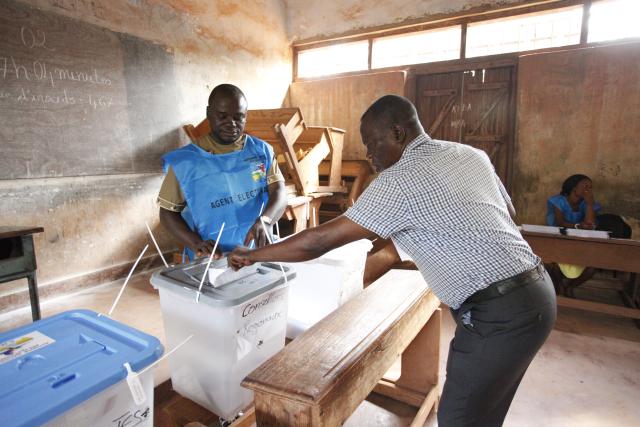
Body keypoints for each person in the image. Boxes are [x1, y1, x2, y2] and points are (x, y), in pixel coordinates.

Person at [228, 95, 557, 426]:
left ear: (398, 133)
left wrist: (251, 256)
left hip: (498, 315)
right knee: (484, 413)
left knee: (459, 419)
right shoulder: (469, 154)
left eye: (372, 144)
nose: (370, 157)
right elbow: (507, 212)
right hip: (538, 293)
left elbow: (318, 241)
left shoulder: (398, 180)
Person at [158, 84, 287, 260]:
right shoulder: (186, 162)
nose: (231, 123)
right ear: (209, 113)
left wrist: (265, 221)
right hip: (212, 256)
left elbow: (279, 191)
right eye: (222, 116)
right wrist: (196, 243)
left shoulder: (261, 151)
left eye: (238, 117)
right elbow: (167, 213)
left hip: (257, 249)